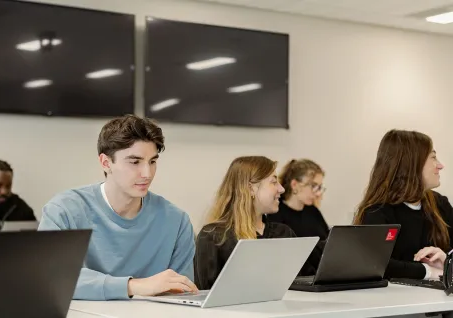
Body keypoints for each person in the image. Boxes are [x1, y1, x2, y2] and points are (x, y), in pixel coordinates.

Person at [38, 114, 197, 301]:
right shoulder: (63, 211)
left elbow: (183, 292)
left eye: (152, 162)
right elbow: (50, 278)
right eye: (135, 162)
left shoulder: (177, 221)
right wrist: (132, 286)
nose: (147, 173)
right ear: (106, 163)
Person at [194, 156, 321, 290]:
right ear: (250, 188)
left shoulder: (283, 233)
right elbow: (205, 296)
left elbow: (305, 284)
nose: (281, 189)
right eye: (273, 182)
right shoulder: (213, 237)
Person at [354, 129, 453, 281]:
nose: (440, 166)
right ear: (411, 164)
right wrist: (427, 271)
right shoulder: (377, 212)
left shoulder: (440, 204)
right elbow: (374, 264)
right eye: (433, 157)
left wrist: (447, 262)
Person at [266, 159, 330, 241]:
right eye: (313, 186)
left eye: (319, 187)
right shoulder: (275, 212)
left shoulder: (313, 211)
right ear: (294, 185)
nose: (318, 193)